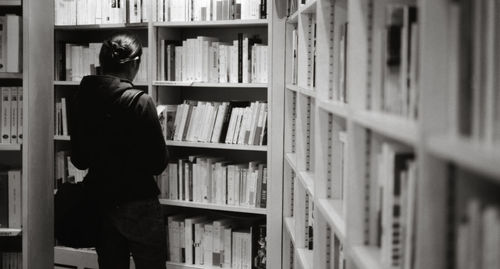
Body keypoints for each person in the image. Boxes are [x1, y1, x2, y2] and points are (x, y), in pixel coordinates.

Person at [69, 32, 168, 269]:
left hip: (99, 200)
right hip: (138, 201)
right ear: (134, 64)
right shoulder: (139, 102)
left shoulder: (82, 98)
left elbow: (79, 160)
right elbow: (158, 163)